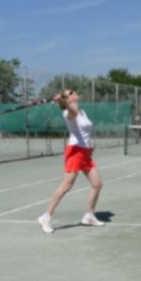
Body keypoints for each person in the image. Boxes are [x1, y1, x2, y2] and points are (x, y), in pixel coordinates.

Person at [38, 89, 104, 234]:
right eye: (71, 92)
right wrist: (63, 101)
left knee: (97, 184)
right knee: (66, 186)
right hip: (75, 152)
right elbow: (71, 111)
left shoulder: (82, 112)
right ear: (68, 99)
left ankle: (89, 216)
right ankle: (46, 217)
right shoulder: (68, 113)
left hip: (85, 152)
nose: (75, 92)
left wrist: (89, 147)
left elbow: (84, 133)